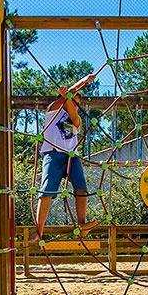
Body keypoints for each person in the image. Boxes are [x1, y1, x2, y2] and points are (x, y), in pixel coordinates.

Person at [28, 72, 100, 243]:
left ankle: (82, 224)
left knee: (81, 188)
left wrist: (72, 92)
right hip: (52, 154)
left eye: (78, 105)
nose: (76, 106)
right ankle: (39, 231)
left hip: (71, 157)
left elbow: (74, 118)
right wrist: (79, 85)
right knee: (46, 191)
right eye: (75, 102)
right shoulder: (52, 111)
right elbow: (66, 99)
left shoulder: (76, 121)